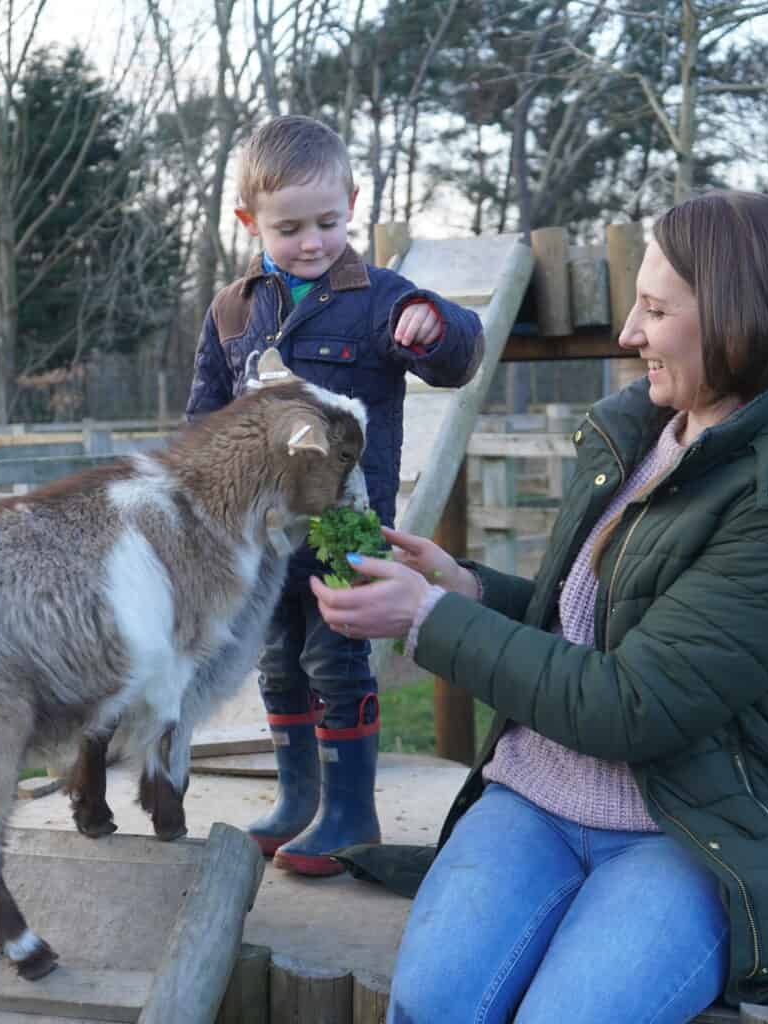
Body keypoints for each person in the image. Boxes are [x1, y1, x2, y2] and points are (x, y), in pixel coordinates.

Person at [311, 191, 768, 1019]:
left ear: (739, 320)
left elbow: (633, 703)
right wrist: (467, 588)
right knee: (433, 1004)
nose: (628, 333)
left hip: (691, 829)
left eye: (655, 309)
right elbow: (591, 630)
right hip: (534, 797)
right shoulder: (646, 432)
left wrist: (427, 620)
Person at [186, 115, 486, 876]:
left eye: (328, 221)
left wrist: (436, 325)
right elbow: (206, 415)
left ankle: (351, 814)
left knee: (337, 656)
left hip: (343, 524)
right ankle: (298, 800)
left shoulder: (380, 298)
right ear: (249, 221)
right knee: (278, 658)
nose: (312, 241)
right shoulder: (232, 311)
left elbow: (460, 356)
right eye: (289, 228)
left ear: (352, 202)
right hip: (264, 530)